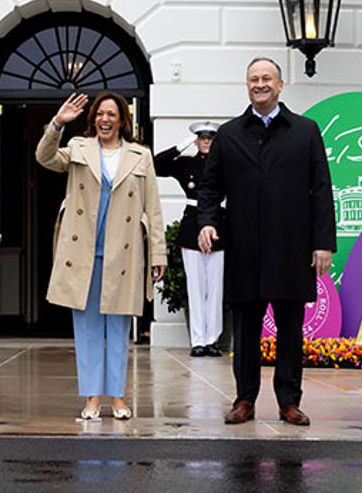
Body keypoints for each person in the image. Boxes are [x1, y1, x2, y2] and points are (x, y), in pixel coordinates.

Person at [197, 58, 336, 427]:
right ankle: (244, 400)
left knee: (291, 330)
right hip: (244, 248)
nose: (260, 84)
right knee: (245, 332)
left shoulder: (305, 131)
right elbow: (210, 188)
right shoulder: (228, 134)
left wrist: (323, 243)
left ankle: (289, 402)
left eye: (266, 79)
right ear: (247, 86)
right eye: (253, 79)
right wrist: (207, 222)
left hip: (291, 248)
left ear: (280, 84)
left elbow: (321, 190)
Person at [37, 92, 167, 420]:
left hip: (124, 255)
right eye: (100, 114)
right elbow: (44, 157)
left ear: (123, 120)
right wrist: (57, 123)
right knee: (89, 330)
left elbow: (153, 208)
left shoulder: (141, 155)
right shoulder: (79, 148)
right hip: (83, 253)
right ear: (93, 119)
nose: (105, 119)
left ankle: (118, 397)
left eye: (112, 114)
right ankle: (93, 398)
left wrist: (157, 254)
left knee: (119, 330)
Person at [154, 120, 225, 357]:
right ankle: (198, 341)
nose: (206, 141)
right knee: (195, 287)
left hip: (218, 224)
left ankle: (213, 339)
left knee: (215, 288)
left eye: (210, 138)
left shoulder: (224, 165)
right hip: (192, 225)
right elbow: (156, 165)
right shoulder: (186, 165)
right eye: (202, 137)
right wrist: (181, 146)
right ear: (197, 140)